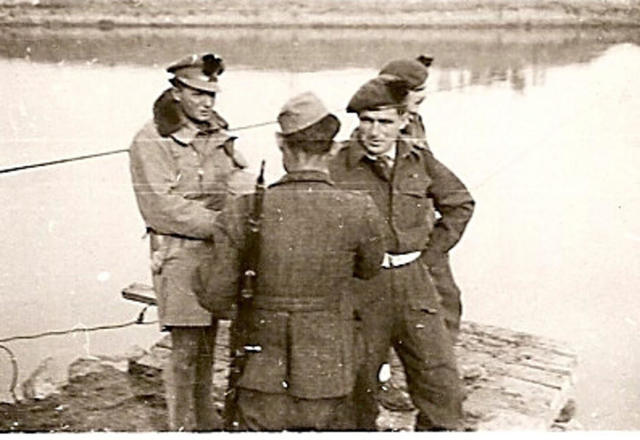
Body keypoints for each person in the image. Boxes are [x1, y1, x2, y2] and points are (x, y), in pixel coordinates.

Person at [195, 92, 386, 431]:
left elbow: (215, 296)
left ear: (281, 144)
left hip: (259, 372)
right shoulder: (359, 208)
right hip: (329, 370)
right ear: (333, 149)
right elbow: (369, 269)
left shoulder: (244, 209)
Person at [329, 76, 475, 431]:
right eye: (366, 120)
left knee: (442, 387)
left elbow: (459, 204)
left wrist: (429, 255)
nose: (374, 132)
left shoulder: (419, 160)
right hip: (362, 288)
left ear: (403, 121)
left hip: (415, 285)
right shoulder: (336, 165)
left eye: (384, 122)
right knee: (356, 391)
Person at [129, 52, 252, 431]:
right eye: (198, 94)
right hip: (178, 252)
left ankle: (206, 419)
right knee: (184, 346)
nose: (206, 103)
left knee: (209, 339)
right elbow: (161, 208)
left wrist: (248, 207)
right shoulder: (151, 139)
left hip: (219, 249)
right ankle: (181, 426)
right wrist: (225, 224)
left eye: (211, 95)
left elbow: (238, 179)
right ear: (176, 91)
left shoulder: (217, 132)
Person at [379, 55, 466, 338]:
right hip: (406, 230)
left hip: (425, 225)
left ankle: (446, 354)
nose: (422, 99)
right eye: (417, 95)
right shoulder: (387, 128)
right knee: (438, 294)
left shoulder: (414, 121)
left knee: (445, 295)